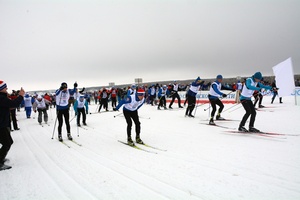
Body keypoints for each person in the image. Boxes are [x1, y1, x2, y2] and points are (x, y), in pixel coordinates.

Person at [0, 80, 25, 171]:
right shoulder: (1, 98)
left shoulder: (2, 97)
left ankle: (1, 158)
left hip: (3, 124)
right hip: (1, 125)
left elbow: (10, 105)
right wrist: (21, 96)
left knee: (7, 142)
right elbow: (13, 103)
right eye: (5, 87)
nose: (7, 88)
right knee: (7, 143)